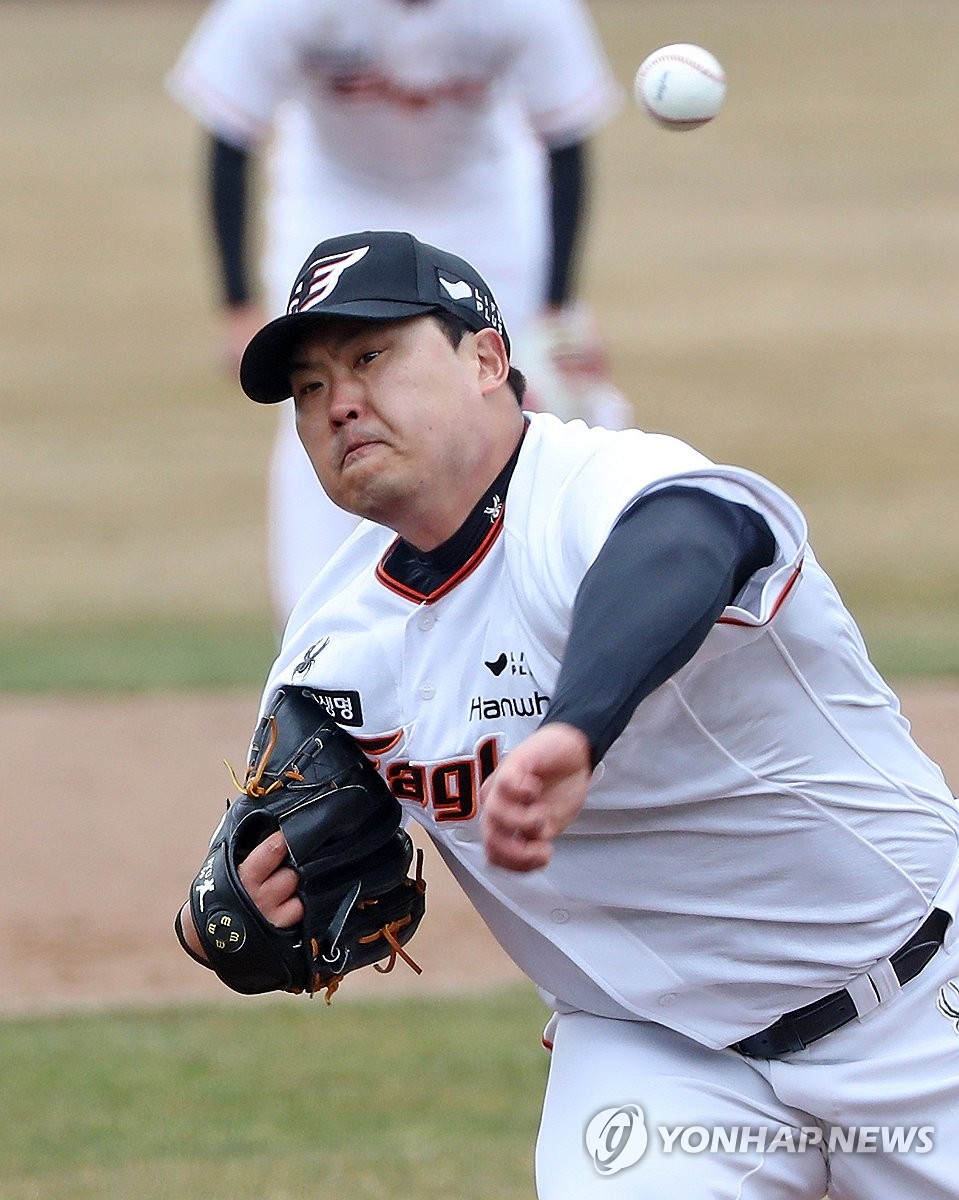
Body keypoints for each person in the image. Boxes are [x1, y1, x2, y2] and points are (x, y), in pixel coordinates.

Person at [177, 230, 959, 1199]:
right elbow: (267, 863)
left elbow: (686, 544)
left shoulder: (600, 488)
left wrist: (575, 728)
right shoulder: (330, 649)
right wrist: (226, 920)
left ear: (487, 359)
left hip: (914, 1007)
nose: (338, 402)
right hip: (656, 1058)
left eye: (371, 356)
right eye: (307, 387)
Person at [167, 0, 627, 623]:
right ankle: (319, 630)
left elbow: (565, 139)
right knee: (328, 395)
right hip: (332, 195)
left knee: (534, 391)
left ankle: (581, 600)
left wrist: (555, 308)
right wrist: (237, 306)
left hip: (484, 194)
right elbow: (230, 128)